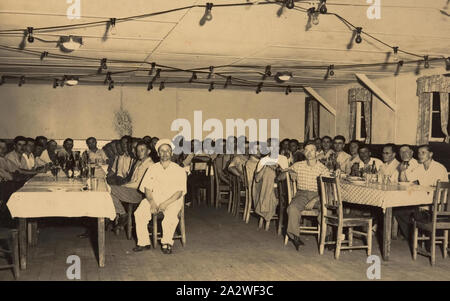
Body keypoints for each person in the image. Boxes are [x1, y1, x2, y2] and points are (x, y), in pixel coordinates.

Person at [133, 139, 187, 254]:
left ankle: (166, 242)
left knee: (170, 216)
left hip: (173, 200)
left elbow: (178, 192)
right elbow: (147, 188)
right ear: (158, 153)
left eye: (167, 151)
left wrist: (165, 204)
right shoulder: (152, 168)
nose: (165, 153)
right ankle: (143, 242)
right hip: (154, 198)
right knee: (140, 212)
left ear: (171, 153)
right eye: (162, 151)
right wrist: (152, 202)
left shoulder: (179, 170)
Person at [284, 142, 329, 249]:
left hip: (318, 195)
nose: (309, 153)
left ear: (317, 152)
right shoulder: (298, 165)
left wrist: (314, 200)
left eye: (312, 150)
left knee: (326, 210)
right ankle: (294, 236)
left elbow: (326, 190)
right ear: (304, 152)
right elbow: (282, 172)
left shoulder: (323, 169)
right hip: (301, 194)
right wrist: (290, 171)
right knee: (292, 208)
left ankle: (327, 236)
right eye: (306, 150)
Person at [110, 141, 153, 232]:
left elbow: (138, 184)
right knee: (108, 190)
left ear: (148, 151)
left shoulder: (150, 165)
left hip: (139, 194)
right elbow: (131, 180)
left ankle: (122, 214)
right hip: (131, 190)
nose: (139, 152)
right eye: (138, 150)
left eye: (142, 150)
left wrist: (122, 186)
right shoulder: (139, 162)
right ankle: (121, 213)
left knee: (109, 188)